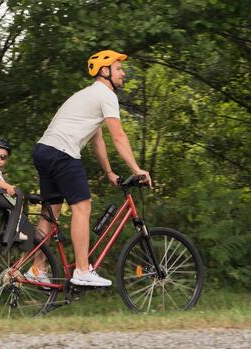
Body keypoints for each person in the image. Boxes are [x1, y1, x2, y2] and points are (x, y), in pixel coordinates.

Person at [30, 49, 152, 287]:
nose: (123, 73)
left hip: (44, 151)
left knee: (50, 213)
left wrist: (108, 172)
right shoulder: (106, 95)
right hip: (62, 153)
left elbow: (97, 140)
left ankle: (37, 269)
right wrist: (137, 169)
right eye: (118, 68)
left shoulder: (85, 96)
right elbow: (118, 136)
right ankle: (83, 270)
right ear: (104, 71)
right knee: (82, 207)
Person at [0, 137, 28, 241]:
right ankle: (15, 232)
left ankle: (6, 229)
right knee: (18, 205)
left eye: (3, 157)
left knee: (12, 206)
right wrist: (8, 187)